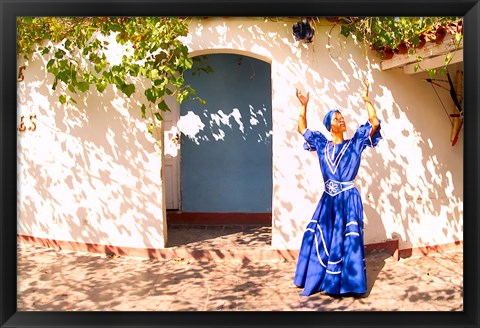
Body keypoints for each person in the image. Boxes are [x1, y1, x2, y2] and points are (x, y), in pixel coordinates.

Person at [293, 79, 382, 297]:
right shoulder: (321, 144)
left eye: (342, 118)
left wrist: (366, 100)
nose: (342, 120)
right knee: (320, 234)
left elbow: (374, 123)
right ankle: (318, 279)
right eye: (337, 118)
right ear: (329, 124)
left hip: (348, 197)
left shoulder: (355, 143)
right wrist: (303, 105)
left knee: (347, 239)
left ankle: (347, 284)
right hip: (328, 198)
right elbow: (301, 128)